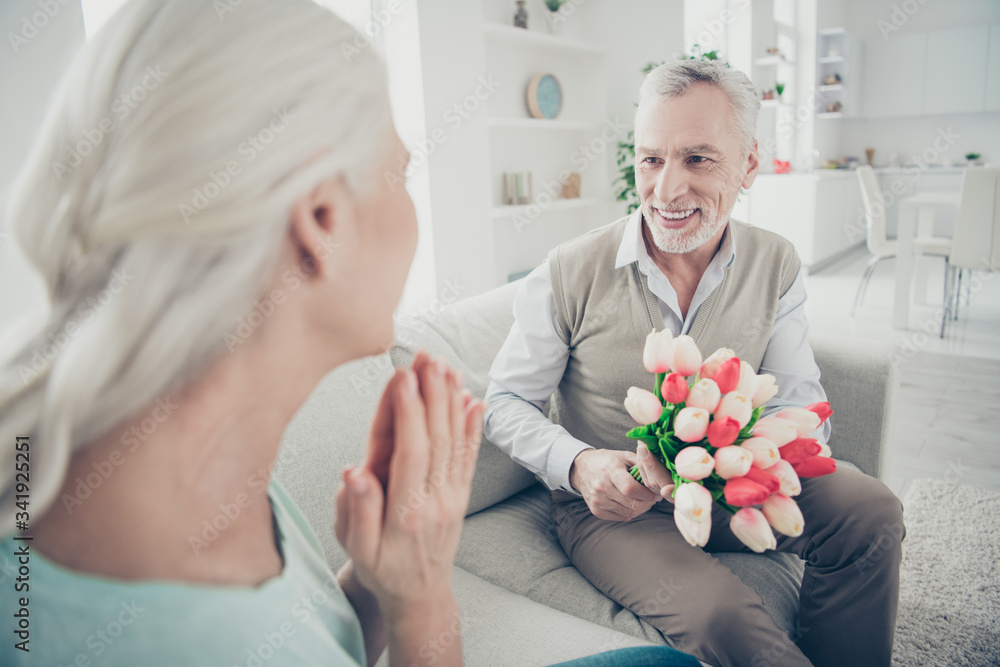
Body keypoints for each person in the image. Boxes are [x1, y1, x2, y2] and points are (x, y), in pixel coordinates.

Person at [0, 2, 701, 666]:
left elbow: (310, 644)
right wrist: (423, 598)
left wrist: (377, 576)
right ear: (322, 220)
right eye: (398, 173)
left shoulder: (178, 449)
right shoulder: (159, 635)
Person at [484, 59, 905, 667]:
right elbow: (504, 402)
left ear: (750, 164)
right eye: (651, 159)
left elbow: (799, 403)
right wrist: (579, 466)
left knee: (871, 510)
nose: (667, 190)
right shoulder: (567, 271)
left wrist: (760, 461)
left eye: (698, 159)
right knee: (722, 616)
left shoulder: (775, 262)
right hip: (619, 513)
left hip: (738, 482)